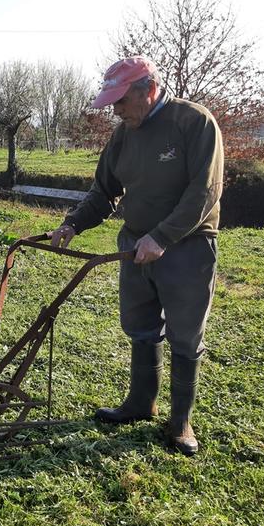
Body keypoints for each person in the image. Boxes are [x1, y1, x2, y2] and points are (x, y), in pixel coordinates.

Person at [50, 56, 223, 456]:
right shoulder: (124, 134)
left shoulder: (193, 123)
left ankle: (180, 421)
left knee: (184, 334)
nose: (115, 110)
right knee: (141, 327)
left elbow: (206, 190)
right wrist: (73, 224)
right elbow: (104, 190)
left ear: (149, 90)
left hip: (187, 247)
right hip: (134, 245)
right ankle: (140, 403)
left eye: (121, 101)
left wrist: (161, 237)